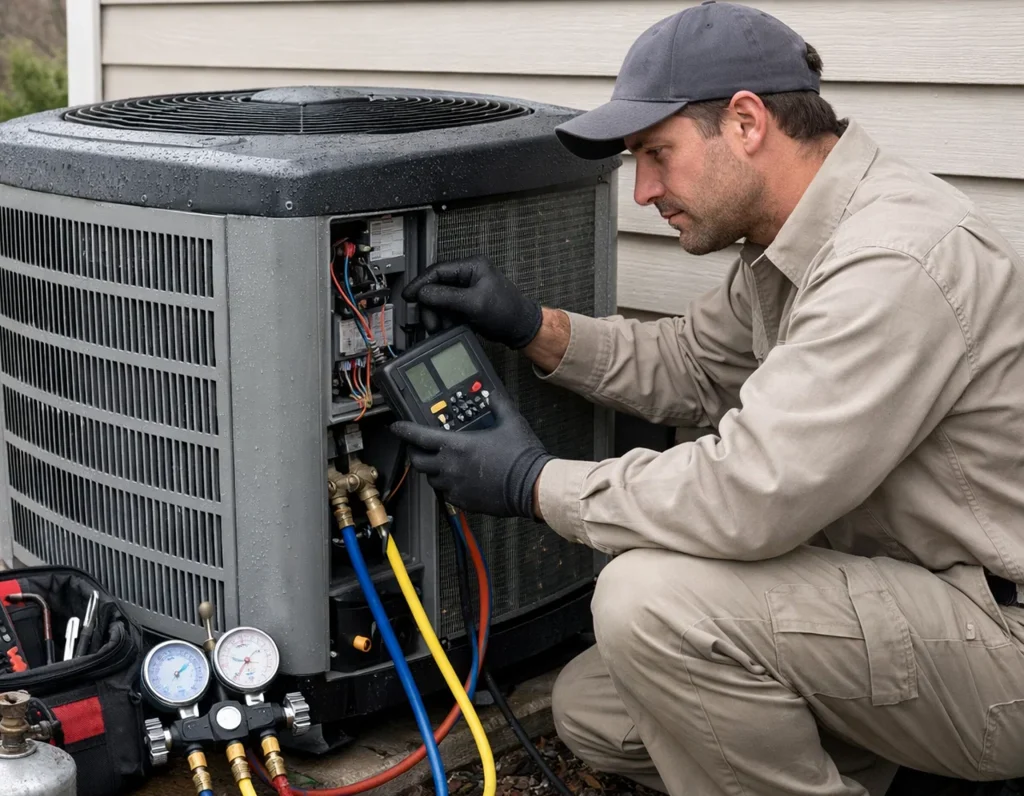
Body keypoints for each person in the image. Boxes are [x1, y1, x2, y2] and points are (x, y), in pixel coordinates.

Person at [390, 2, 1024, 794]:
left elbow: (751, 492)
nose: (645, 189)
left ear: (748, 122)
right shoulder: (790, 242)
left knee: (650, 605)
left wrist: (532, 482)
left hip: (998, 637)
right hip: (906, 602)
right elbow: (689, 363)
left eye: (658, 153)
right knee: (595, 709)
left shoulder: (892, 261)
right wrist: (532, 327)